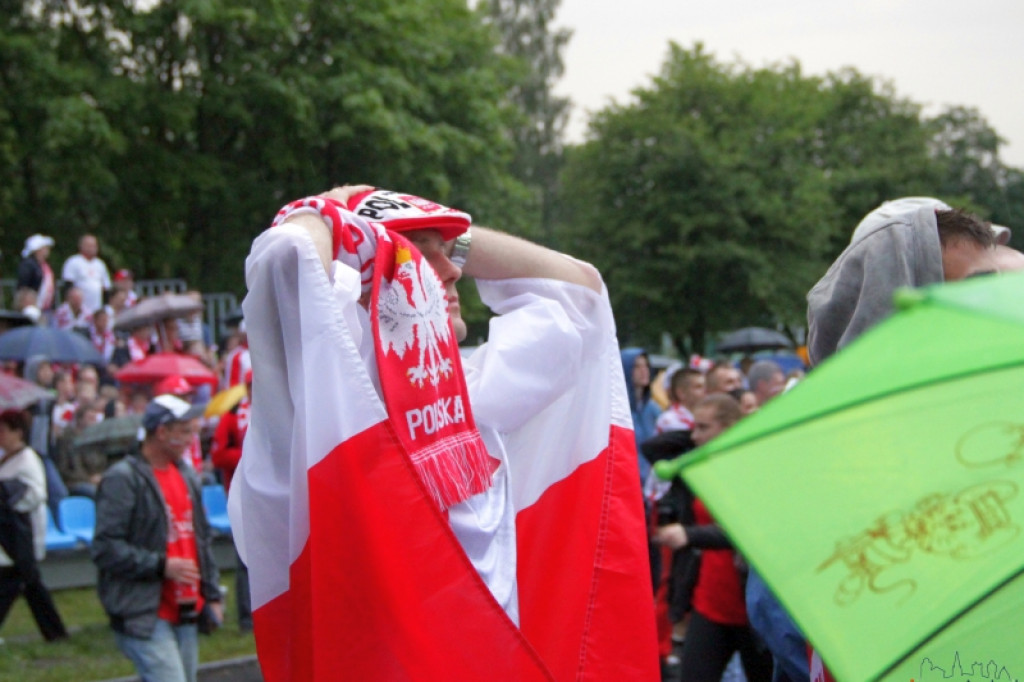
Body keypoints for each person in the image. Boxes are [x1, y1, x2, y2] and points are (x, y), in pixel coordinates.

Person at [229, 186, 658, 680]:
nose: (454, 269)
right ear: (361, 275)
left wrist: (441, 236)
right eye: (418, 254)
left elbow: (581, 291)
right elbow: (289, 255)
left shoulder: (473, 397)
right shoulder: (322, 419)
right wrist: (326, 211)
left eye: (448, 253)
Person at [745, 200, 1001, 682]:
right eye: (971, 291)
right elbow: (792, 628)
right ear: (892, 307)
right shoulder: (812, 462)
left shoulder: (983, 433)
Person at [92, 394, 223, 682]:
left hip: (186, 608)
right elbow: (105, 547)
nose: (191, 440)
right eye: (185, 431)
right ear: (162, 432)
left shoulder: (186, 475)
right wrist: (161, 565)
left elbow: (200, 539)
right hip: (144, 611)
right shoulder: (123, 479)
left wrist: (212, 594)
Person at [654, 394, 771, 682]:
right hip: (710, 602)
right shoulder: (700, 465)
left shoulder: (754, 469)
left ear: (730, 426)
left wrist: (689, 534)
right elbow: (652, 448)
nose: (694, 437)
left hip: (752, 608)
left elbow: (745, 530)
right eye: (693, 428)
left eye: (704, 428)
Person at [0, 409, 69, 642]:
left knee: (14, 582)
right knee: (28, 584)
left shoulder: (28, 459)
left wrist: (10, 495)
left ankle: (56, 632)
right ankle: (55, 632)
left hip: (23, 533)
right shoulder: (7, 458)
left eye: (3, 431)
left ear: (18, 432)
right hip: (11, 533)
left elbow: (36, 494)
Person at [210, 369, 252, 633]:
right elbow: (218, 455)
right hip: (240, 495)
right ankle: (248, 619)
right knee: (244, 559)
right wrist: (250, 454)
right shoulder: (232, 416)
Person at [61, 234, 112, 314]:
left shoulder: (100, 264)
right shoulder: (73, 262)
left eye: (94, 246)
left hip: (96, 309)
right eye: (89, 245)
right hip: (79, 310)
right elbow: (68, 286)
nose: (92, 248)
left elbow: (106, 287)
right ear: (81, 246)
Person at [16, 235, 56, 314]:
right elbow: (24, 286)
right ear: (37, 250)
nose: (47, 250)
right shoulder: (28, 265)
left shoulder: (44, 265)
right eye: (45, 248)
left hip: (46, 308)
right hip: (33, 307)